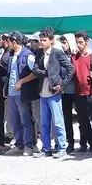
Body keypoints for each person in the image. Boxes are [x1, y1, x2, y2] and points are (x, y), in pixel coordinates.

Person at [32, 27, 74, 159]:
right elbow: (35, 69)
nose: (42, 43)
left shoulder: (57, 53)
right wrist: (46, 73)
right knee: (44, 122)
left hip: (54, 91)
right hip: (42, 91)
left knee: (58, 121)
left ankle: (62, 148)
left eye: (44, 40)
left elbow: (70, 68)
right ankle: (46, 148)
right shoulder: (39, 53)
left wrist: (62, 84)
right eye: (41, 40)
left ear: (51, 40)